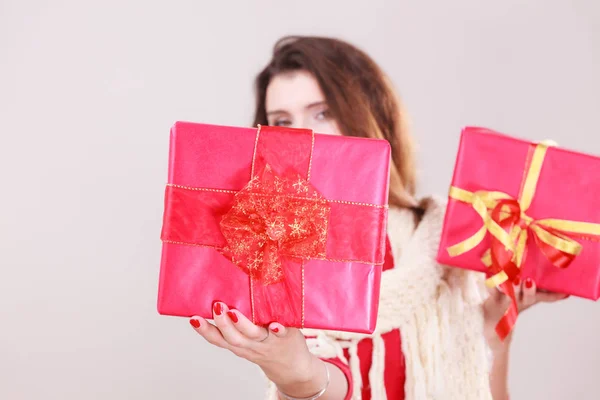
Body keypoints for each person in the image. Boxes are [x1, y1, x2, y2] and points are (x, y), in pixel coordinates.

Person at [186, 36, 569, 400]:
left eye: (322, 112)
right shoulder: (272, 244)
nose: (302, 133)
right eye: (282, 121)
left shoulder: (442, 239)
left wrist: (492, 328)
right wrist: (298, 373)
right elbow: (324, 374)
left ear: (371, 115)